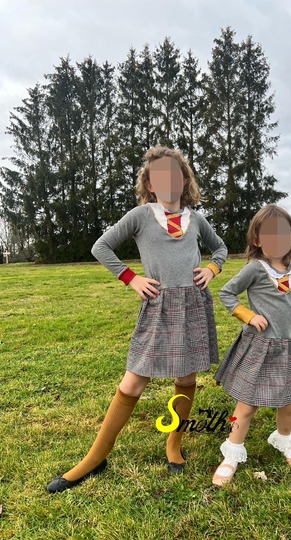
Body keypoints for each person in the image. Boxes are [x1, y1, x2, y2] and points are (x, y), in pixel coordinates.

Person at [47, 145, 227, 493]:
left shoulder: (196, 219)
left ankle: (174, 443)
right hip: (159, 307)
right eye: (159, 175)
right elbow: (101, 247)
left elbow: (220, 248)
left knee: (186, 377)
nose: (167, 180)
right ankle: (96, 457)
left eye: (174, 173)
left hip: (193, 306)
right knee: (133, 381)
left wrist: (212, 268)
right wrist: (131, 278)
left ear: (184, 180)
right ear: (150, 183)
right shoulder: (141, 215)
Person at [212, 205, 291, 486]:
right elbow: (226, 292)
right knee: (247, 404)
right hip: (259, 347)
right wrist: (247, 315)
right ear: (257, 239)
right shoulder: (255, 269)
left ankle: (284, 439)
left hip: (287, 346)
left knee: (288, 400)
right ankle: (232, 453)